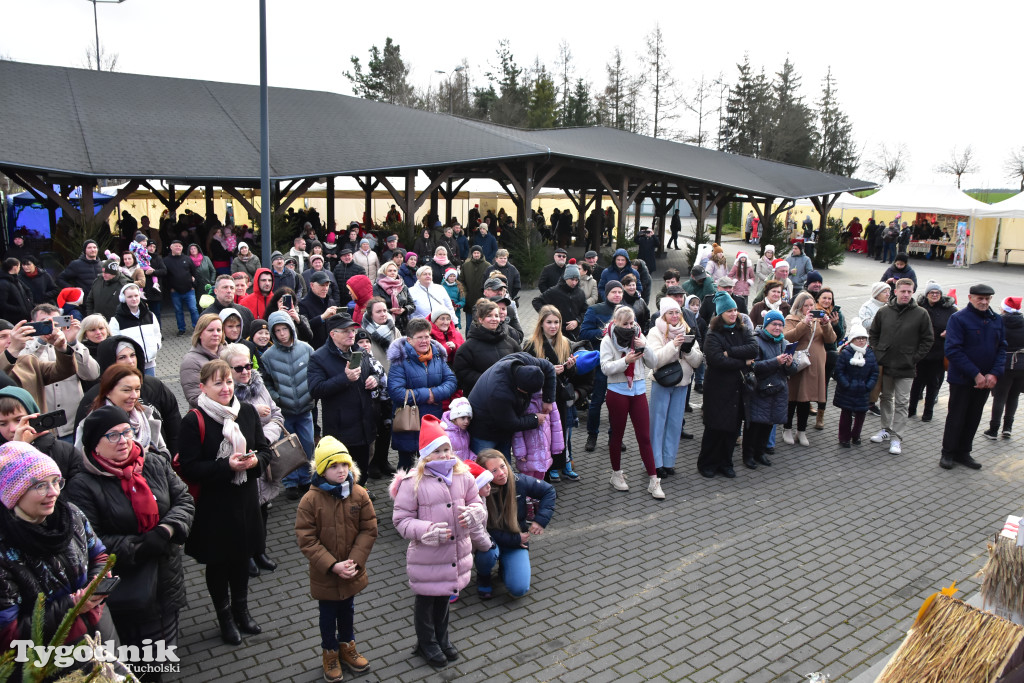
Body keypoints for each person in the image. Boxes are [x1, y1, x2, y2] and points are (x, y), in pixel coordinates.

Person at [67, 405, 194, 664]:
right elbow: (90, 541)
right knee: (136, 661)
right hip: (126, 590)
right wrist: (139, 546)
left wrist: (165, 530)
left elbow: (184, 499)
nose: (123, 440)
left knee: (163, 655)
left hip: (166, 579)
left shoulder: (154, 462)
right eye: (112, 435)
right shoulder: (82, 486)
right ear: (94, 444)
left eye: (126, 431)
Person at [178, 359, 271, 645]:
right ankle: (225, 617)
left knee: (241, 559)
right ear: (203, 387)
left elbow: (265, 450)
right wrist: (226, 466)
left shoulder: (246, 411)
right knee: (219, 564)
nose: (225, 388)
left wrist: (255, 461)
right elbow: (189, 468)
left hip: (244, 501)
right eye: (218, 383)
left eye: (228, 382)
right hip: (213, 505)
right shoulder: (193, 421)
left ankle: (242, 611)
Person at [389, 415, 489, 669]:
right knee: (425, 601)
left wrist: (476, 513)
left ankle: (442, 639)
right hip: (428, 556)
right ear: (425, 456)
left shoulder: (463, 475)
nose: (446, 455)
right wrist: (426, 530)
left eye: (448, 449)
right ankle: (427, 643)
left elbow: (478, 503)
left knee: (444, 597)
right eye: (438, 451)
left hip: (454, 553)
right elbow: (401, 521)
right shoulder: (413, 483)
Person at [0, 442, 117, 658]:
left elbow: (99, 555)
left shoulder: (69, 514)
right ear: (13, 493)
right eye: (40, 485)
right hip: (51, 663)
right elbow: (8, 635)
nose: (53, 492)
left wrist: (94, 588)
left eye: (55, 481)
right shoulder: (5, 550)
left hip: (102, 634)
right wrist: (71, 606)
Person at [296, 436, 377, 682]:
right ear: (321, 470)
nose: (341, 470)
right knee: (328, 615)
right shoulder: (310, 500)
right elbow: (306, 539)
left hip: (351, 569)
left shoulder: (359, 494)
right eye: (333, 466)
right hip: (326, 575)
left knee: (348, 611)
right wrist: (332, 565)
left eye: (344, 464)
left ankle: (347, 646)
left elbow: (369, 528)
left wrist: (354, 561)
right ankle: (329, 652)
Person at [308, 314, 381, 484]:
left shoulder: (360, 351)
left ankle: (361, 493)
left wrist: (374, 380)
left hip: (364, 424)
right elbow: (315, 390)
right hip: (341, 429)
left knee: (362, 469)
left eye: (352, 330)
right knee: (342, 474)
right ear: (333, 334)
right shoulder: (319, 358)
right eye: (346, 331)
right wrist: (344, 378)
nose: (351, 334)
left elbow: (373, 371)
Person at [524, 306, 593, 481]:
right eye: (549, 322)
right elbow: (525, 374)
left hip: (559, 397)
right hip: (539, 398)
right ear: (541, 323)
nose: (553, 326)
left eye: (556, 322)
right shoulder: (531, 345)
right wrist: (547, 371)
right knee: (541, 435)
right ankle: (544, 469)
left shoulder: (565, 342)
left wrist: (570, 368)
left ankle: (558, 465)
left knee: (559, 434)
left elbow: (572, 376)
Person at [941, 284, 1006, 470]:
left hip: (986, 380)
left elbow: (1002, 347)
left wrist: (994, 373)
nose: (984, 302)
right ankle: (948, 453)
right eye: (980, 298)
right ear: (970, 298)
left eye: (987, 299)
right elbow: (953, 350)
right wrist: (975, 374)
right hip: (962, 378)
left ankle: (964, 452)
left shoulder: (996, 320)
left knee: (974, 416)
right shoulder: (958, 319)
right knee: (956, 416)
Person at [474, 450, 555, 599]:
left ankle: (505, 567)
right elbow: (485, 530)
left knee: (519, 589)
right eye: (494, 471)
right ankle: (483, 576)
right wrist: (516, 539)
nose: (501, 473)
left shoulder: (519, 481)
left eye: (503, 466)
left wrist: (540, 520)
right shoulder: (477, 491)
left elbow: (549, 491)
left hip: (515, 541)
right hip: (491, 540)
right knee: (489, 552)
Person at [600, 305, 662, 498]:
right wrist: (625, 361)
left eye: (631, 322)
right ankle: (616, 474)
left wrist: (644, 346)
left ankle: (654, 480)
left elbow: (654, 363)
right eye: (625, 324)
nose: (629, 327)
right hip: (617, 391)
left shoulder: (639, 336)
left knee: (644, 436)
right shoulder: (608, 339)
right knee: (617, 435)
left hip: (639, 390)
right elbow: (605, 368)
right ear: (616, 323)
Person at [868, 279, 934, 456]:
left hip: (906, 367)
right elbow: (873, 333)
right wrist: (878, 352)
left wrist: (914, 358)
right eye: (902, 291)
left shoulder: (921, 314)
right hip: (886, 363)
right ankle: (885, 430)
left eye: (909, 291)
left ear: (913, 293)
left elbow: (928, 339)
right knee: (886, 398)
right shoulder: (884, 312)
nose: (905, 294)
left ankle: (897, 437)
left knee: (902, 402)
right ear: (895, 292)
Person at [697, 292, 758, 479]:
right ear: (720, 313)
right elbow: (716, 360)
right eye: (729, 311)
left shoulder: (743, 329)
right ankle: (707, 463)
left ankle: (726, 462)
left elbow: (754, 349)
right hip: (717, 388)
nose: (733, 314)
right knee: (715, 428)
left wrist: (729, 352)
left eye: (735, 310)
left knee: (732, 428)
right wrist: (743, 362)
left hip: (738, 389)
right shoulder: (713, 334)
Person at [387, 318, 458, 471]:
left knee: (431, 463)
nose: (425, 341)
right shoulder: (400, 359)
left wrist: (434, 394)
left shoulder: (437, 355)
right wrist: (429, 394)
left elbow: (451, 381)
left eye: (427, 336)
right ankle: (402, 493)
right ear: (409, 340)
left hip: (432, 419)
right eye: (420, 337)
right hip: (408, 421)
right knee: (405, 465)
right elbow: (396, 392)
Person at [22, 306, 99, 441]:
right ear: (32, 323)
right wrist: (41, 341)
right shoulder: (26, 347)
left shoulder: (71, 344)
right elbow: (22, 370)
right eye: (45, 322)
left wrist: (73, 342)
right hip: (41, 429)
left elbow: (92, 374)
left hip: (72, 424)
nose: (50, 327)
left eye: (55, 322)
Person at [260, 310, 316, 497]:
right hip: (284, 411)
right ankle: (290, 481)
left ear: (291, 328)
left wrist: (311, 393)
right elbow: (265, 382)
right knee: (286, 447)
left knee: (307, 443)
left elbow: (315, 374)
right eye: (277, 330)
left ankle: (306, 478)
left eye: (285, 328)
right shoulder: (268, 356)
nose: (282, 333)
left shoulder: (306, 349)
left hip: (305, 407)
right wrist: (277, 397)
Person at [647, 297, 702, 477]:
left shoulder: (688, 330)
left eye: (677, 312)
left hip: (682, 383)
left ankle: (668, 461)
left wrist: (687, 350)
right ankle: (655, 463)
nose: (674, 315)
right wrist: (673, 345)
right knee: (657, 424)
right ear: (663, 314)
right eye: (670, 312)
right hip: (662, 382)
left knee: (674, 424)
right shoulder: (655, 332)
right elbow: (654, 360)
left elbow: (698, 361)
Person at [75, 364, 170, 458]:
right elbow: (81, 461)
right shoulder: (92, 423)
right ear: (108, 392)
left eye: (137, 389)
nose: (134, 396)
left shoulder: (145, 414)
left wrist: (155, 460)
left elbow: (163, 451)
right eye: (126, 390)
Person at [781, 292, 837, 446]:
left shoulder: (820, 320)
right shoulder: (791, 319)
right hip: (797, 364)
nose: (810, 308)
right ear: (800, 306)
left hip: (814, 364)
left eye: (812, 305)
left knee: (806, 398)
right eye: (806, 305)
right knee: (793, 397)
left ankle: (801, 431)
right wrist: (804, 323)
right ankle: (787, 428)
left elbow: (831, 339)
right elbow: (788, 337)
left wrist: (826, 324)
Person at [743, 310, 796, 468]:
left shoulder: (784, 343)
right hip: (760, 390)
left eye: (780, 325)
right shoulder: (756, 341)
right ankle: (748, 455)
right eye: (774, 324)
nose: (778, 327)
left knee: (768, 424)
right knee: (755, 426)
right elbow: (754, 367)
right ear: (766, 325)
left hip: (778, 390)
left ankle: (760, 453)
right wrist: (776, 361)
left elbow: (791, 370)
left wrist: (788, 364)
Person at [580, 281, 626, 452]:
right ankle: (592, 436)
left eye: (619, 292)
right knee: (597, 401)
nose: (617, 295)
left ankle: (615, 437)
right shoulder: (596, 310)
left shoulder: (625, 310)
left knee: (619, 404)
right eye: (613, 292)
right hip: (601, 362)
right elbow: (584, 332)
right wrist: (605, 331)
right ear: (606, 293)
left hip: (621, 363)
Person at [908, 281, 956, 422]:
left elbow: (958, 326)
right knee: (916, 383)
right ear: (926, 294)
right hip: (921, 352)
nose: (934, 295)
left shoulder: (950, 310)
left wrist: (950, 332)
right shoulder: (919, 307)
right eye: (931, 293)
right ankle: (911, 410)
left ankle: (928, 412)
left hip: (938, 353)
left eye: (937, 293)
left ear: (941, 295)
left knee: (933, 384)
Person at [453, 300, 519, 396]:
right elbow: (462, 372)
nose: (494, 319)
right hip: (482, 397)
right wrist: (489, 380)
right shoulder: (468, 347)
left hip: (508, 395)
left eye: (496, 316)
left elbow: (520, 361)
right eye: (489, 316)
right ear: (480, 319)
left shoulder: (510, 342)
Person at [832, 321, 879, 447]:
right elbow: (839, 371)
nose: (861, 341)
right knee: (846, 415)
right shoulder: (845, 352)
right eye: (858, 338)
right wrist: (846, 384)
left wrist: (868, 386)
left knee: (861, 415)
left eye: (864, 338)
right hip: (847, 390)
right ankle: (844, 438)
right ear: (852, 339)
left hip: (863, 390)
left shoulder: (869, 353)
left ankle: (856, 435)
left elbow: (874, 372)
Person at [985, 296, 1024, 439]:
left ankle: (993, 430)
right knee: (1014, 396)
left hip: (1004, 366)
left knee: (1000, 398)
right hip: (1022, 367)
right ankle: (1007, 428)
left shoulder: (998, 322)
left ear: (1004, 309)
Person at [107, 283, 162, 376]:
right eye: (130, 297)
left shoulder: (150, 315)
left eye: (136, 295)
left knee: (150, 389)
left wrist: (156, 345)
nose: (134, 299)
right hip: (130, 365)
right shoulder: (116, 320)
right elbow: (114, 342)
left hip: (149, 363)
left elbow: (157, 334)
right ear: (123, 298)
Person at [813, 287, 845, 429]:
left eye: (829, 298)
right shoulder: (812, 311)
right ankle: (807, 405)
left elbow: (841, 336)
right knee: (808, 381)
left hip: (829, 352)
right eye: (824, 298)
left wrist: (836, 325)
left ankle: (821, 415)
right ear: (818, 299)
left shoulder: (836, 313)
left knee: (823, 384)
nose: (827, 301)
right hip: (813, 351)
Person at [179, 313, 224, 408]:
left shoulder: (229, 353)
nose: (216, 334)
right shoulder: (191, 361)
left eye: (219, 330)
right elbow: (194, 397)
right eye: (211, 330)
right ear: (199, 334)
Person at [164, 241, 200, 336]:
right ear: (171, 247)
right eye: (176, 246)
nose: (178, 248)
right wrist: (170, 288)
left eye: (180, 246)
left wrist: (193, 285)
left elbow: (194, 272)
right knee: (178, 311)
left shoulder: (187, 259)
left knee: (193, 309)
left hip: (189, 290)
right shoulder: (166, 260)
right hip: (175, 291)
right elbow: (164, 277)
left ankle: (197, 328)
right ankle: (181, 329)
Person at [373, 262, 415, 333]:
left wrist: (404, 309)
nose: (393, 273)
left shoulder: (403, 286)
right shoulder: (377, 287)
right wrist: (390, 311)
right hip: (384, 324)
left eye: (395, 271)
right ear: (384, 272)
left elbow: (412, 305)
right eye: (390, 271)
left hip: (403, 324)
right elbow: (375, 307)